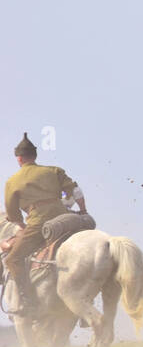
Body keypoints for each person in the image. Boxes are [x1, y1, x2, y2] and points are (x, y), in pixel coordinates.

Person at [2, 133, 86, 315]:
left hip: (39, 223)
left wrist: (21, 225)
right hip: (65, 218)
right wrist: (84, 211)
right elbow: (76, 191)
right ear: (35, 156)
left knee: (13, 259)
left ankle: (28, 303)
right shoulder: (54, 171)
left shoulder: (12, 181)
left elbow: (12, 213)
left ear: (19, 158)